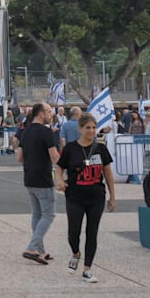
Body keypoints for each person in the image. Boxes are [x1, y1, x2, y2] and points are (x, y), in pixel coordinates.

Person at [56, 114, 115, 282]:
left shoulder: (101, 148)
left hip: (96, 196)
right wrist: (59, 180)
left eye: (94, 127)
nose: (91, 131)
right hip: (75, 196)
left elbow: (108, 173)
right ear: (80, 129)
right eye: (88, 127)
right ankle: (75, 253)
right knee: (73, 233)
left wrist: (112, 196)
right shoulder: (70, 148)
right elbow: (59, 167)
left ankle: (87, 269)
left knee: (92, 232)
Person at [17, 102, 62, 264]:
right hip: (43, 177)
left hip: (29, 177)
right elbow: (55, 156)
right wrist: (62, 175)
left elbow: (19, 158)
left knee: (37, 214)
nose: (52, 114)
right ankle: (32, 247)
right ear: (41, 114)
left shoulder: (25, 131)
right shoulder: (46, 131)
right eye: (49, 111)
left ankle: (40, 251)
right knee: (49, 214)